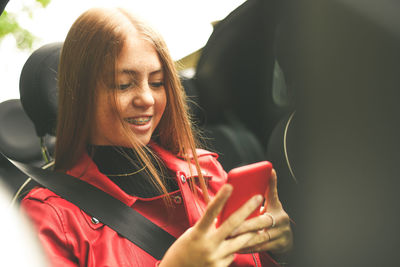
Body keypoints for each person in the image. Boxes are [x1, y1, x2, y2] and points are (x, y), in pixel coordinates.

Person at [21, 7, 293, 267]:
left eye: (157, 82)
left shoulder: (204, 169)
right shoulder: (50, 217)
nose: (147, 99)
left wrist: (277, 251)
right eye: (124, 85)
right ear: (81, 93)